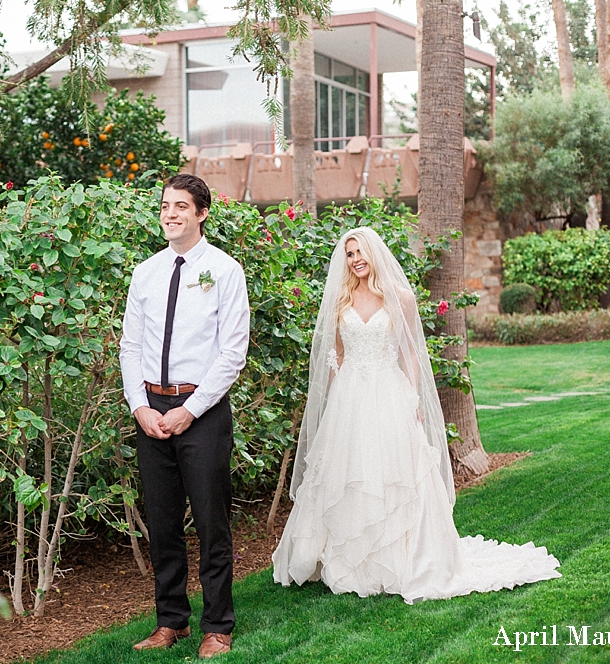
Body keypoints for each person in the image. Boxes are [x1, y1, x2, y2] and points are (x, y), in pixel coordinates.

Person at [272, 226, 560, 603]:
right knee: (348, 475)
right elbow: (336, 356)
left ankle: (402, 558)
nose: (356, 259)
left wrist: (414, 399)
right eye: (349, 254)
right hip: (349, 397)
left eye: (360, 252)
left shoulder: (400, 298)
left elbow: (410, 353)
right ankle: (344, 558)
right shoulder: (341, 299)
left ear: (375, 254)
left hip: (388, 392)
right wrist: (329, 404)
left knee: (394, 475)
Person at [120, 174, 250, 658]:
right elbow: (130, 345)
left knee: (213, 524)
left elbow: (232, 352)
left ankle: (218, 625)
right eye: (165, 206)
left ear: (202, 213)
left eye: (181, 206)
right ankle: (170, 621)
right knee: (163, 522)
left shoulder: (225, 271)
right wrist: (140, 407)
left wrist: (190, 411)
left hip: (204, 412)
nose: (170, 213)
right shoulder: (145, 273)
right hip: (151, 411)